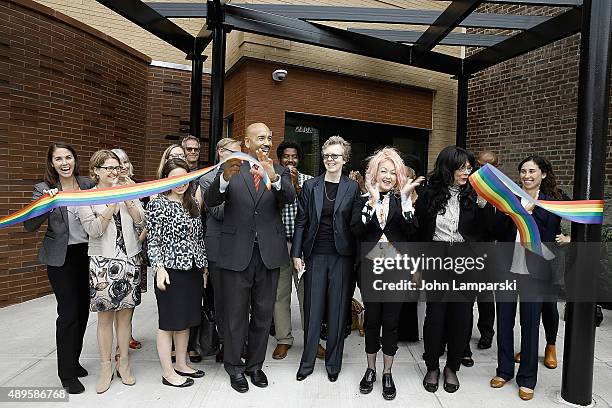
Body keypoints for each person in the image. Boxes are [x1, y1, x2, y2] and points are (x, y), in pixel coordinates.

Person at [203, 122, 295, 393]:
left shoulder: (279, 170)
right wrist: (223, 181)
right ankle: (234, 367)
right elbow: (210, 202)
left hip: (268, 255)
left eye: (270, 137)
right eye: (261, 138)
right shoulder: (231, 168)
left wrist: (275, 179)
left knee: (263, 315)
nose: (266, 142)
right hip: (235, 254)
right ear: (247, 142)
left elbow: (289, 197)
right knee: (234, 315)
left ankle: (255, 366)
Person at [416, 146, 491, 394]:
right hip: (436, 256)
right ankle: (432, 366)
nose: (466, 172)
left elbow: (487, 231)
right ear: (448, 167)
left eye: (469, 168)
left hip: (465, 258)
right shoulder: (429, 193)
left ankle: (452, 367)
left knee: (461, 316)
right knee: (435, 315)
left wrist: (483, 205)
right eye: (461, 167)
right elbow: (419, 231)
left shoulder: (475, 195)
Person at [350, 147, 423, 400]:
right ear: (374, 173)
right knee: (372, 322)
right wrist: (370, 203)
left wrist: (405, 201)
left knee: (391, 324)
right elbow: (357, 230)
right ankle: (370, 370)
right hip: (369, 271)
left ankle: (387, 372)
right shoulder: (362, 200)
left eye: (393, 172)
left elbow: (412, 231)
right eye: (384, 171)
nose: (388, 176)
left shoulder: (402, 201)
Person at [24, 143, 94, 394]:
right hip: (60, 258)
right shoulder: (43, 189)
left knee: (83, 311)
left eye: (68, 157)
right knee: (69, 312)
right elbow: (29, 225)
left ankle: (73, 361)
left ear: (75, 160)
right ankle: (66, 374)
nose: (65, 163)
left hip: (86, 254)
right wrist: (46, 203)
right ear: (51, 163)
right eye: (58, 159)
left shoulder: (87, 184)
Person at [490, 155, 562, 401]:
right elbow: (498, 230)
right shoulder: (509, 198)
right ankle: (504, 370)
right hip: (507, 267)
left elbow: (549, 233)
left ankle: (527, 379)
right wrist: (513, 210)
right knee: (505, 321)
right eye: (523, 171)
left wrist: (526, 212)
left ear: (542, 174)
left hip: (535, 270)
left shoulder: (551, 202)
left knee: (530, 324)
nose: (527, 176)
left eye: (532, 171)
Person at [291, 136, 360, 383]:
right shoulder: (311, 186)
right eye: (327, 155)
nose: (330, 160)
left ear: (345, 159)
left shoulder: (352, 188)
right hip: (315, 255)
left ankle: (333, 363)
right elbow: (301, 221)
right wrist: (296, 253)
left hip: (342, 257)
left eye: (336, 156)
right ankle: (307, 362)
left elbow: (356, 223)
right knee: (313, 310)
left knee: (337, 311)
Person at [78, 150, 145, 393]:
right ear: (95, 171)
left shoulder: (129, 189)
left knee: (126, 316)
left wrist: (128, 200)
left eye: (117, 167)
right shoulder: (85, 197)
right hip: (102, 262)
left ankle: (123, 363)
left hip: (129, 259)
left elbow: (141, 223)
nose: (115, 172)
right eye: (108, 168)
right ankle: (106, 367)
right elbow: (94, 230)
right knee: (105, 318)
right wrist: (112, 204)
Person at [147, 158, 207, 388]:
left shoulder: (191, 202)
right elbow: (153, 241)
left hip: (192, 269)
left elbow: (197, 239)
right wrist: (159, 268)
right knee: (169, 322)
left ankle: (181, 363)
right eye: (175, 178)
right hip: (170, 270)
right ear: (166, 179)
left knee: (186, 321)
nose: (180, 183)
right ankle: (168, 372)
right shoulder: (158, 204)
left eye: (184, 178)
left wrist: (203, 268)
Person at [271, 141, 327, 360]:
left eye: (294, 156)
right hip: (278, 245)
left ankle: (311, 342)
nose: (290, 160)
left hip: (303, 247)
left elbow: (314, 215)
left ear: (299, 159)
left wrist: (296, 188)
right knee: (280, 295)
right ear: (280, 158)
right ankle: (284, 340)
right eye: (286, 156)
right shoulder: (272, 178)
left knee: (307, 296)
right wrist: (283, 186)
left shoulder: (310, 182)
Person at [199, 137, 242, 363]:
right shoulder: (207, 178)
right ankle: (225, 346)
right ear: (220, 152)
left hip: (240, 248)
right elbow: (218, 211)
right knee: (221, 301)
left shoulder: (245, 174)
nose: (239, 157)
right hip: (218, 248)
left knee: (240, 302)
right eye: (235, 152)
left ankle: (236, 344)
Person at [111, 148, 143, 359]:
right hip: (113, 251)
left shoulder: (135, 187)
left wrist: (140, 240)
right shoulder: (104, 188)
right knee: (115, 298)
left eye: (124, 161)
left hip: (133, 248)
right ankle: (118, 347)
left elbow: (143, 218)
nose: (122, 166)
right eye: (116, 162)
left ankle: (127, 335)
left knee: (130, 299)